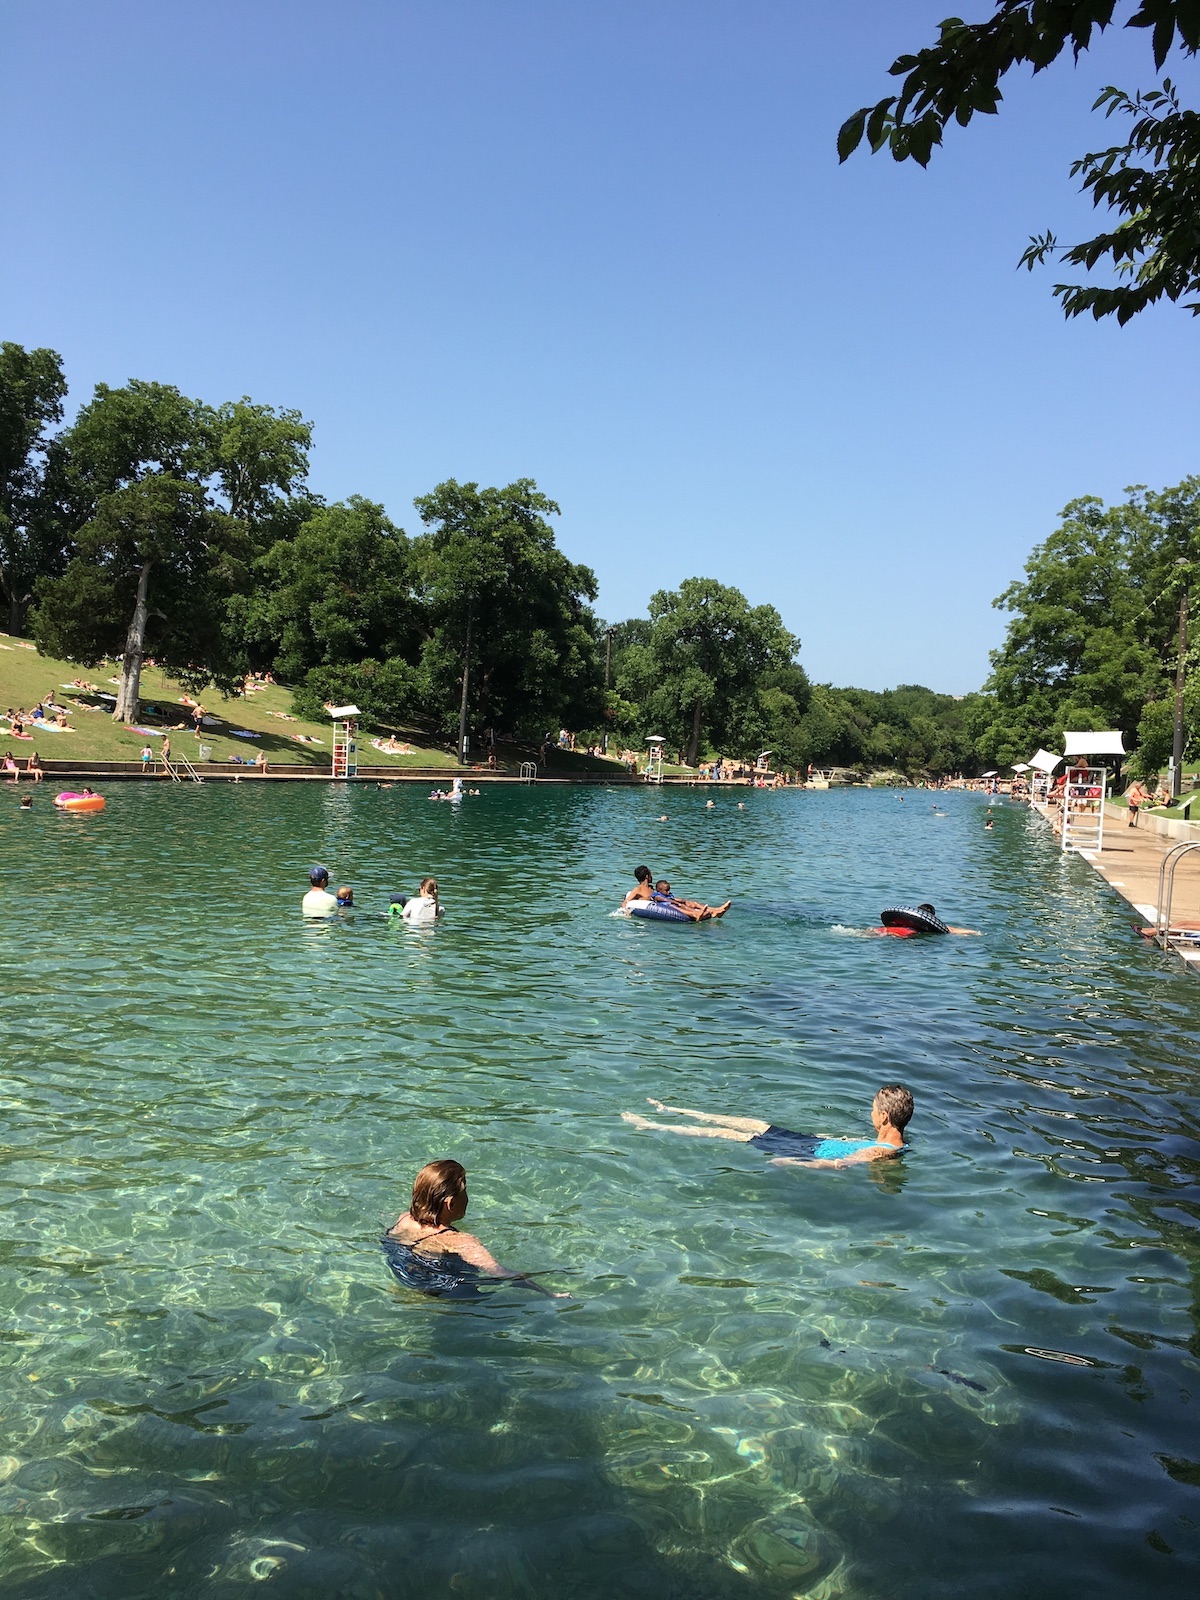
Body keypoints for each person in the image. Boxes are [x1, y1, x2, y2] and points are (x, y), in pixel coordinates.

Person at [383, 1159, 567, 1296]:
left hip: (407, 1280)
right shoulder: (459, 1241)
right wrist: (549, 1293)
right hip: (446, 1295)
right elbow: (502, 1273)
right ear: (451, 1204)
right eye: (465, 1193)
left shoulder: (404, 1220)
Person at [621, 1085, 914, 1169]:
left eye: (873, 1109)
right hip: (811, 1141)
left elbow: (840, 1163)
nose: (870, 1113)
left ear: (885, 1117)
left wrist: (791, 1162)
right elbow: (852, 1149)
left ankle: (651, 1125)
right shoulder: (897, 1146)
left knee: (734, 1134)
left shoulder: (882, 1152)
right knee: (754, 1123)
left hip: (807, 1151)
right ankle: (672, 1108)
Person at [873, 902, 980, 937]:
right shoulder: (933, 927)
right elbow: (952, 930)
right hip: (907, 936)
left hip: (886, 931)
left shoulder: (898, 921)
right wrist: (975, 933)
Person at [653, 878, 731, 921]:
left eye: (669, 889)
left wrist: (682, 901)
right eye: (666, 890)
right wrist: (677, 903)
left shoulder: (668, 895)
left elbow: (674, 898)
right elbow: (664, 899)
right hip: (670, 906)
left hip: (674, 903)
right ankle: (695, 914)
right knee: (678, 906)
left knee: (692, 903)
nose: (669, 892)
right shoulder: (657, 895)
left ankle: (715, 910)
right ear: (659, 890)